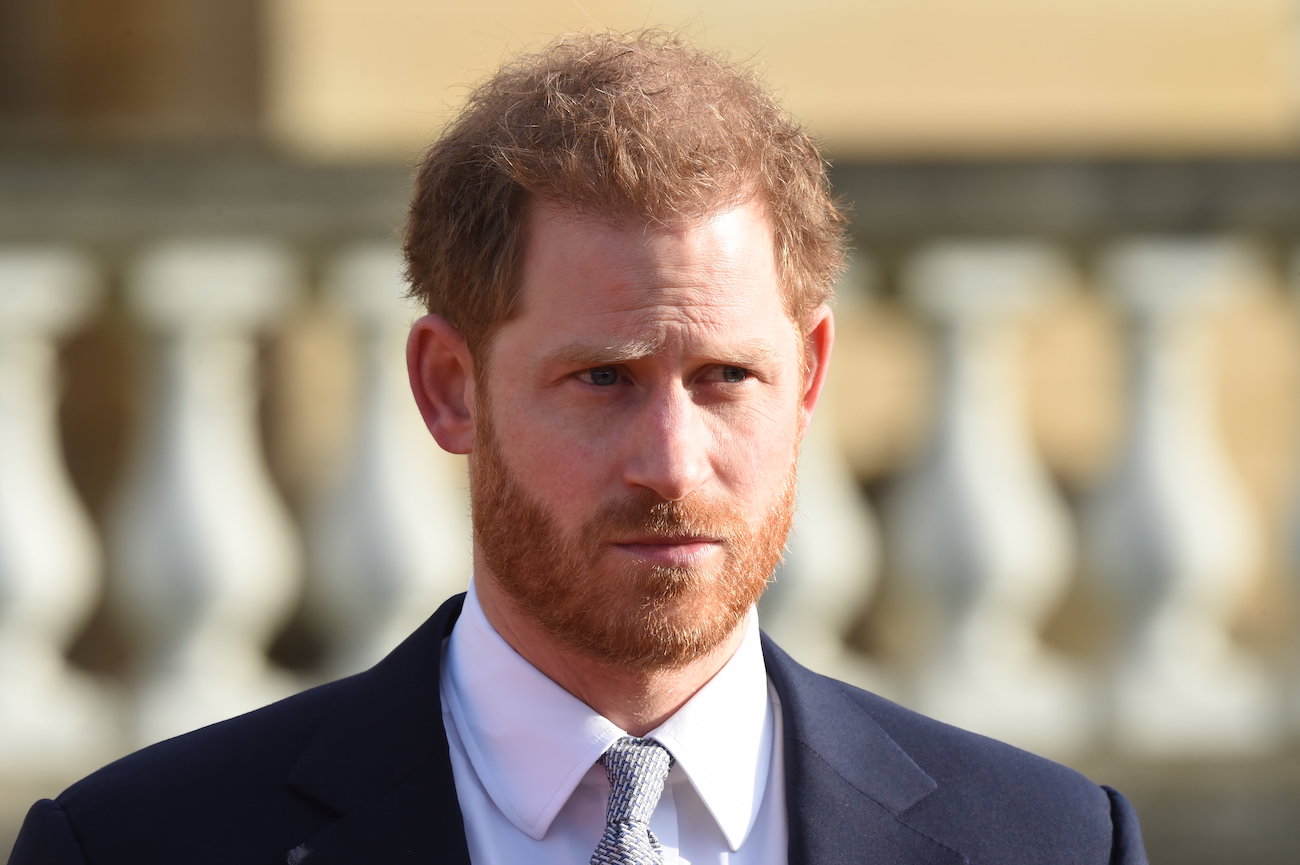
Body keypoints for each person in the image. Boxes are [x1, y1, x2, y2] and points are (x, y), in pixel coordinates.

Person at [8, 30, 1148, 865]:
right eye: (601, 378)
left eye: (727, 378)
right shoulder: (136, 846)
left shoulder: (1049, 843)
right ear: (448, 389)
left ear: (808, 376)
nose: (671, 461)